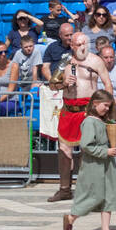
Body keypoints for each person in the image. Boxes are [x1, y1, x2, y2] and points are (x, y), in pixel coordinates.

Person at [46, 32, 109, 203]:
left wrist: (107, 111)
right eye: (78, 44)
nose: (82, 47)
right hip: (68, 110)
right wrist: (64, 84)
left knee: (86, 151)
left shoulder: (96, 61)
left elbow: (108, 85)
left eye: (84, 43)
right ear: (71, 45)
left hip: (88, 110)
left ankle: (86, 190)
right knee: (64, 151)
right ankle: (64, 189)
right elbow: (52, 85)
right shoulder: (65, 62)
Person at [61, 90, 116, 230]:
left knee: (109, 195)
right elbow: (86, 145)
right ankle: (71, 218)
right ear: (95, 103)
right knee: (92, 195)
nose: (107, 109)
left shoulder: (101, 121)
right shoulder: (90, 121)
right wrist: (105, 151)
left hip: (106, 164)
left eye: (109, 107)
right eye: (105, 105)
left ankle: (105, 229)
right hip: (94, 166)